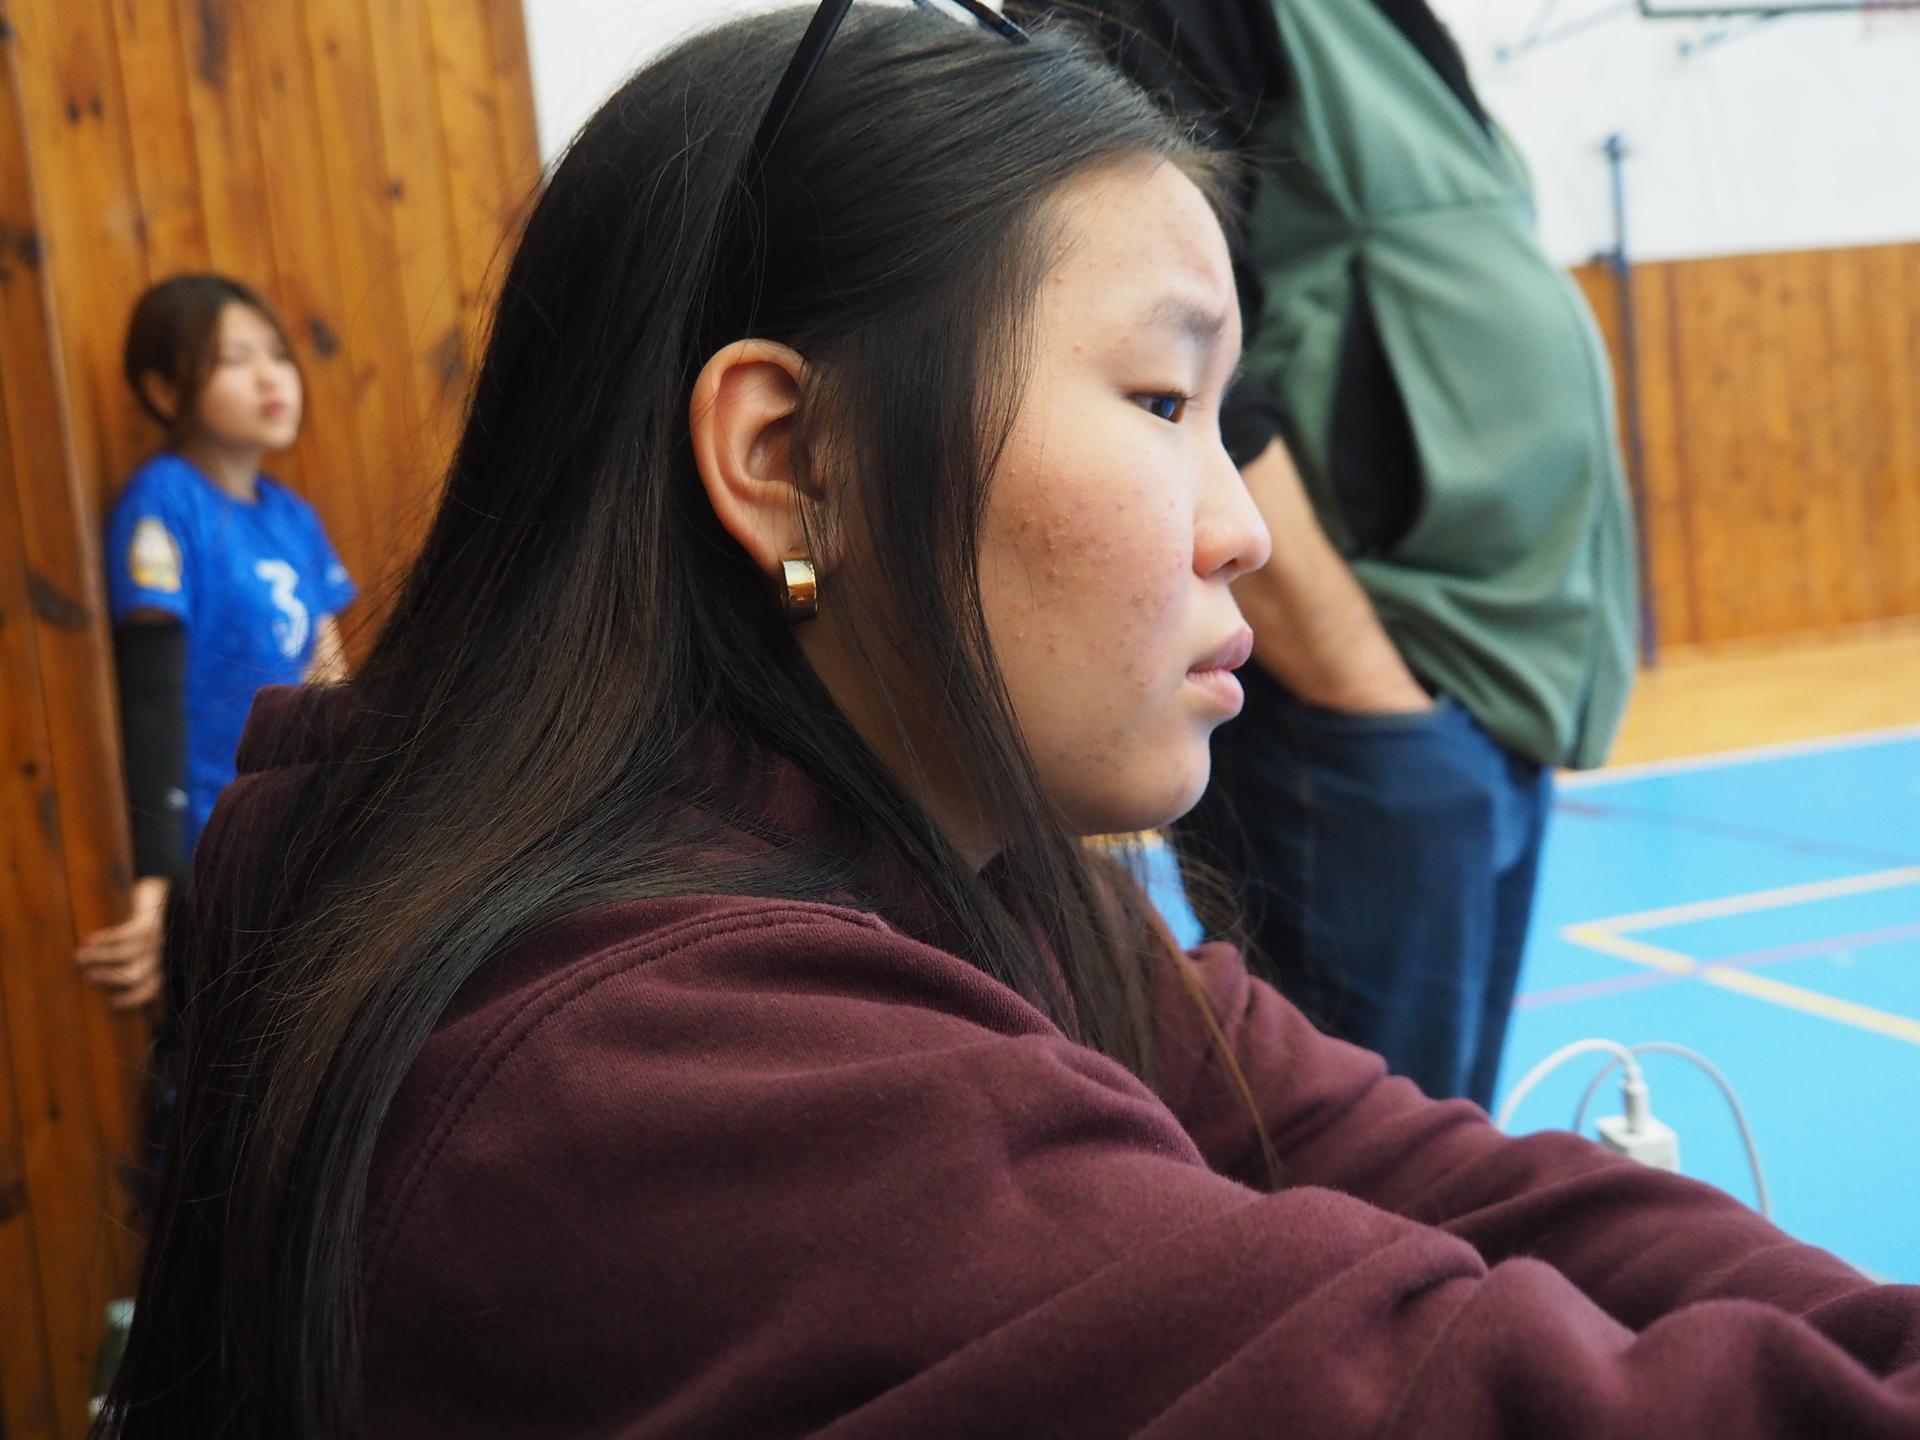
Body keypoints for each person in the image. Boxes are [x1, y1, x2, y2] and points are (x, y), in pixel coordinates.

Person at [99, 7, 1918, 1438]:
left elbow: (1412, 1166)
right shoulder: (653, 1075)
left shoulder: (965, 866)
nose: (1243, 527)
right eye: (1161, 400)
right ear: (789, 460)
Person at [1013, 0, 1639, 1108]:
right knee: (1359, 1170)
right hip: (1351, 693)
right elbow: (1162, 337)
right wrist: (1361, 684)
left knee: (1437, 1148)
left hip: (1486, 680)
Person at [72, 275, 355, 1015]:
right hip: (212, 855)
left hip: (302, 846)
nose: (270, 376)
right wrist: (155, 887)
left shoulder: (292, 516)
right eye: (234, 359)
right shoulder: (165, 500)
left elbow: (332, 687)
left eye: (276, 354)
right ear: (166, 392)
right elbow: (152, 698)